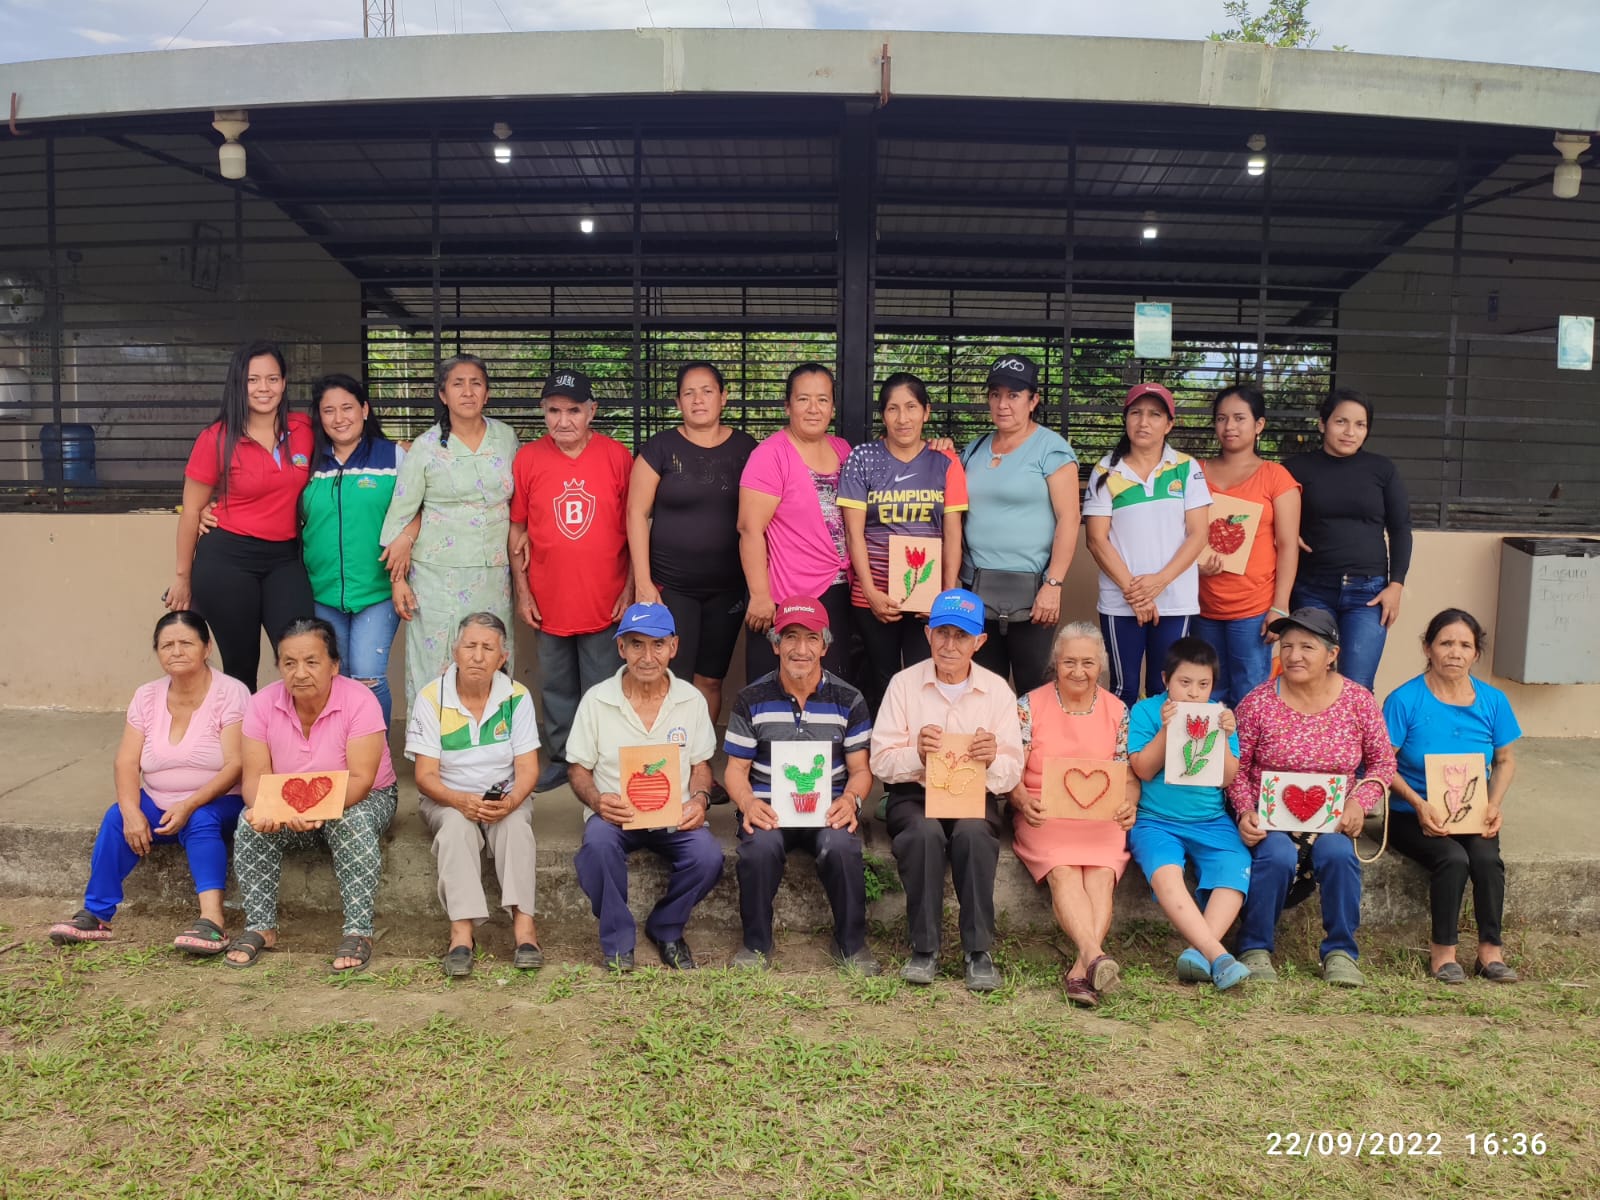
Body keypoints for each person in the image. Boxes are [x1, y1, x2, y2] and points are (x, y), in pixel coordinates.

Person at [49, 612, 249, 954]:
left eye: (186, 643)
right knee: (116, 816)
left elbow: (236, 764)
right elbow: (126, 761)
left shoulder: (231, 692)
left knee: (201, 819)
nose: (176, 651)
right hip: (159, 799)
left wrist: (189, 803)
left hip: (219, 800)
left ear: (206, 648)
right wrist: (131, 811)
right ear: (157, 651)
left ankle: (212, 922)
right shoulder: (146, 696)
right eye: (167, 645)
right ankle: (97, 916)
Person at [1228, 607, 1396, 988]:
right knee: (1276, 854)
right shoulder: (1257, 703)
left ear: (1332, 654)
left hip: (1331, 821)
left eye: (1307, 647)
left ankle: (1341, 952)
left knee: (1338, 854)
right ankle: (1254, 947)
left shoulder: (1358, 702)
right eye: (1287, 646)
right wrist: (1245, 811)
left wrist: (1358, 803)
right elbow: (1236, 766)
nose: (1294, 656)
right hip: (1271, 820)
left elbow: (1383, 763)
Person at [870, 588, 1024, 992]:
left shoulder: (997, 691)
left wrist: (992, 759)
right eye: (942, 633)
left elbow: (1012, 773)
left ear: (980, 642)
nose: (950, 645)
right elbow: (879, 761)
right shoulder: (904, 685)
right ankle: (925, 949)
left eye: (961, 636)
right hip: (915, 795)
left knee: (974, 835)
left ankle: (978, 951)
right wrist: (916, 754)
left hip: (973, 793)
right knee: (923, 834)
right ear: (928, 635)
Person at [224, 618, 400, 972]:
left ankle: (359, 932)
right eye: (289, 663)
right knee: (250, 821)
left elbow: (361, 779)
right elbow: (255, 778)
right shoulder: (262, 704)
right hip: (290, 802)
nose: (300, 673)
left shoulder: (360, 700)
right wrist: (270, 810)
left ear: (334, 665)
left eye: (312, 662)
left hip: (365, 796)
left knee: (351, 820)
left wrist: (310, 809)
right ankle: (261, 926)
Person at [723, 596, 877, 974]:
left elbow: (861, 770)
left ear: (825, 645)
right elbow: (735, 770)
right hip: (770, 808)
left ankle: (851, 944)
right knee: (759, 849)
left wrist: (851, 800)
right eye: (790, 637)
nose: (800, 649)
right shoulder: (751, 699)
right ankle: (756, 944)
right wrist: (748, 803)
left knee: (841, 846)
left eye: (811, 638)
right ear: (775, 644)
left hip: (827, 809)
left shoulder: (849, 699)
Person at [567, 603, 723, 970]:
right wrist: (597, 800)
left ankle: (666, 928)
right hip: (616, 815)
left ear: (674, 647)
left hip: (674, 815)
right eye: (637, 644)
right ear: (621, 648)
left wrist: (700, 800)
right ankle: (618, 942)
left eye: (658, 644)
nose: (648, 656)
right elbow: (578, 768)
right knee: (597, 847)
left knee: (708, 857)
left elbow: (701, 765)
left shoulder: (691, 700)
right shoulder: (597, 700)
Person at [512, 368, 636, 794]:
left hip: (605, 597)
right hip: (548, 598)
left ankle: (601, 761)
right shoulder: (528, 459)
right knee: (556, 687)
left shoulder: (617, 457)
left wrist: (630, 588)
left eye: (573, 411)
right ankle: (563, 759)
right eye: (553, 411)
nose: (563, 420)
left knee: (604, 687)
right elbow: (517, 528)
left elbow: (635, 526)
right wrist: (523, 591)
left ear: (591, 412)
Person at [1383, 608, 1521, 983]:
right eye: (1445, 643)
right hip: (1412, 812)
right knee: (1453, 858)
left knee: (1486, 859)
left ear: (1476, 653)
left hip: (1471, 812)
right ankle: (1443, 954)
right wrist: (1418, 803)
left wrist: (1494, 804)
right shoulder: (1404, 700)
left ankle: (1490, 952)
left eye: (1465, 645)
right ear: (1427, 648)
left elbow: (1505, 760)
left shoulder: (1493, 701)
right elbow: (1383, 765)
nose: (1455, 653)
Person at [168, 339, 314, 688]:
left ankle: (297, 725)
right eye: (253, 379)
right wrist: (182, 577)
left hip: (285, 558)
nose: (264, 388)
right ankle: (243, 726)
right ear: (238, 383)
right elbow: (191, 511)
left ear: (284, 382)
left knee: (301, 652)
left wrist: (404, 450)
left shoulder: (304, 428)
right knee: (241, 665)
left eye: (272, 378)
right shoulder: (216, 438)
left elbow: (349, 440)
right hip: (227, 561)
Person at [1007, 622, 1139, 1006]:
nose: (1078, 671)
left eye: (1088, 663)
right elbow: (1011, 773)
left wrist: (1128, 804)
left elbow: (1128, 777)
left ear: (1101, 665)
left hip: (1100, 816)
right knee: (1063, 870)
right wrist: (1021, 801)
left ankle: (1082, 969)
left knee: (1101, 874)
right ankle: (1096, 956)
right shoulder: (1028, 706)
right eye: (1069, 662)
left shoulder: (1117, 710)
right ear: (1055, 662)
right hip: (1044, 813)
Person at [379, 353, 519, 715]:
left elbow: (521, 502)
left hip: (493, 575)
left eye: (476, 384)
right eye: (458, 384)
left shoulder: (506, 438)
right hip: (435, 578)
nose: (468, 392)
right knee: (436, 663)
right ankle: (431, 741)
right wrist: (398, 581)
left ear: (487, 393)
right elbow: (402, 513)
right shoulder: (426, 447)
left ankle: (493, 736)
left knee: (490, 655)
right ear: (443, 394)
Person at [407, 612, 541, 978]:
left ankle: (525, 930)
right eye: (470, 646)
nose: (478, 656)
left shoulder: (516, 697)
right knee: (455, 830)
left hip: (504, 795)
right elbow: (425, 776)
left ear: (503, 657)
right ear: (455, 652)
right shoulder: (432, 697)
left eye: (488, 648)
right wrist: (458, 800)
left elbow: (528, 769)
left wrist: (511, 801)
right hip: (446, 796)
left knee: (515, 827)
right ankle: (461, 935)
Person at [627, 361, 758, 730]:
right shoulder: (660, 448)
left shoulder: (747, 449)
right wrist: (643, 582)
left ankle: (698, 753)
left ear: (723, 397)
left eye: (707, 391)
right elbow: (636, 513)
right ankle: (669, 756)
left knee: (710, 679)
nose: (698, 400)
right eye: (689, 393)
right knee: (671, 676)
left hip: (728, 589)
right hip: (672, 588)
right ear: (678, 402)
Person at [1126, 638, 1252, 992]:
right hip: (1155, 820)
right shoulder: (1146, 712)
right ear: (1165, 679)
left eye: (1203, 684)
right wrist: (1168, 730)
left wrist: (1226, 736)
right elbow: (1142, 769)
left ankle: (1200, 953)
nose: (1194, 693)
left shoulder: (1219, 715)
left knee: (1236, 865)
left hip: (1210, 819)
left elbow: (1227, 778)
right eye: (1184, 682)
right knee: (1166, 874)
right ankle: (1218, 955)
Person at [839, 372, 968, 709]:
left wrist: (945, 596)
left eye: (911, 407)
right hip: (873, 597)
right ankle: (881, 743)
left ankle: (919, 743)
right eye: (893, 409)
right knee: (878, 682)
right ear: (883, 415)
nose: (903, 418)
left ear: (926, 411)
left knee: (924, 680)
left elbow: (952, 533)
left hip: (927, 599)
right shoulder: (862, 458)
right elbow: (853, 532)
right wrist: (870, 591)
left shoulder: (946, 462)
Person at [1084, 383, 1212, 708]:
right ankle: (1124, 745)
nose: (1144, 422)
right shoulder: (1105, 470)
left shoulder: (1186, 468)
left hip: (1174, 600)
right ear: (1125, 419)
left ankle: (1159, 746)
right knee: (1123, 689)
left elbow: (1198, 534)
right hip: (1121, 601)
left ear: (1169, 424)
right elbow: (1096, 540)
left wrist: (1159, 582)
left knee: (1165, 689)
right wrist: (1136, 593)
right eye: (1136, 413)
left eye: (1155, 415)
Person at [958, 354, 1080, 696]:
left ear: (1033, 400)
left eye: (1013, 395)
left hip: (1034, 594)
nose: (1002, 404)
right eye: (995, 394)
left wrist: (1053, 584)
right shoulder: (975, 449)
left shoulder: (1051, 450)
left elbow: (1070, 519)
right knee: (982, 689)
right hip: (977, 589)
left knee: (1034, 691)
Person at [299, 373, 414, 729]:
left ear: (364, 410)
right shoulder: (308, 463)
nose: (339, 418)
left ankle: (376, 754)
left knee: (367, 676)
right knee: (335, 677)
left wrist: (407, 538)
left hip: (378, 589)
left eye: (347, 408)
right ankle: (341, 749)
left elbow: (420, 506)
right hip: (322, 591)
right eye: (329, 410)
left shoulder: (393, 456)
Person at [1286, 387, 1412, 691]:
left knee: (1357, 685)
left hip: (1368, 594)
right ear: (1322, 423)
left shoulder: (1382, 470)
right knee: (1309, 681)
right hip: (1312, 589)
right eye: (1341, 422)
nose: (1350, 432)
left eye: (1360, 425)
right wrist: (1286, 534)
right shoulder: (1294, 469)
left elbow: (1400, 528)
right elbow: (1268, 514)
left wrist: (1396, 585)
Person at [739, 362, 856, 685]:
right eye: (803, 399)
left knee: (830, 686)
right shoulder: (770, 455)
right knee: (776, 686)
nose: (813, 408)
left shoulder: (843, 449)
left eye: (822, 399)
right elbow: (750, 529)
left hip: (836, 589)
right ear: (788, 405)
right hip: (785, 593)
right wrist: (759, 595)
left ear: (833, 407)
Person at [1195, 384, 1302, 706]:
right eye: (1221, 418)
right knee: (1206, 693)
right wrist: (1194, 564)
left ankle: (1246, 745)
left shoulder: (1276, 477)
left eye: (1239, 418)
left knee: (1251, 695)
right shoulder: (1194, 473)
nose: (1229, 426)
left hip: (1253, 609)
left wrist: (1280, 607)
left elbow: (1288, 545)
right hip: (1201, 604)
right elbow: (1178, 535)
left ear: (1259, 425)